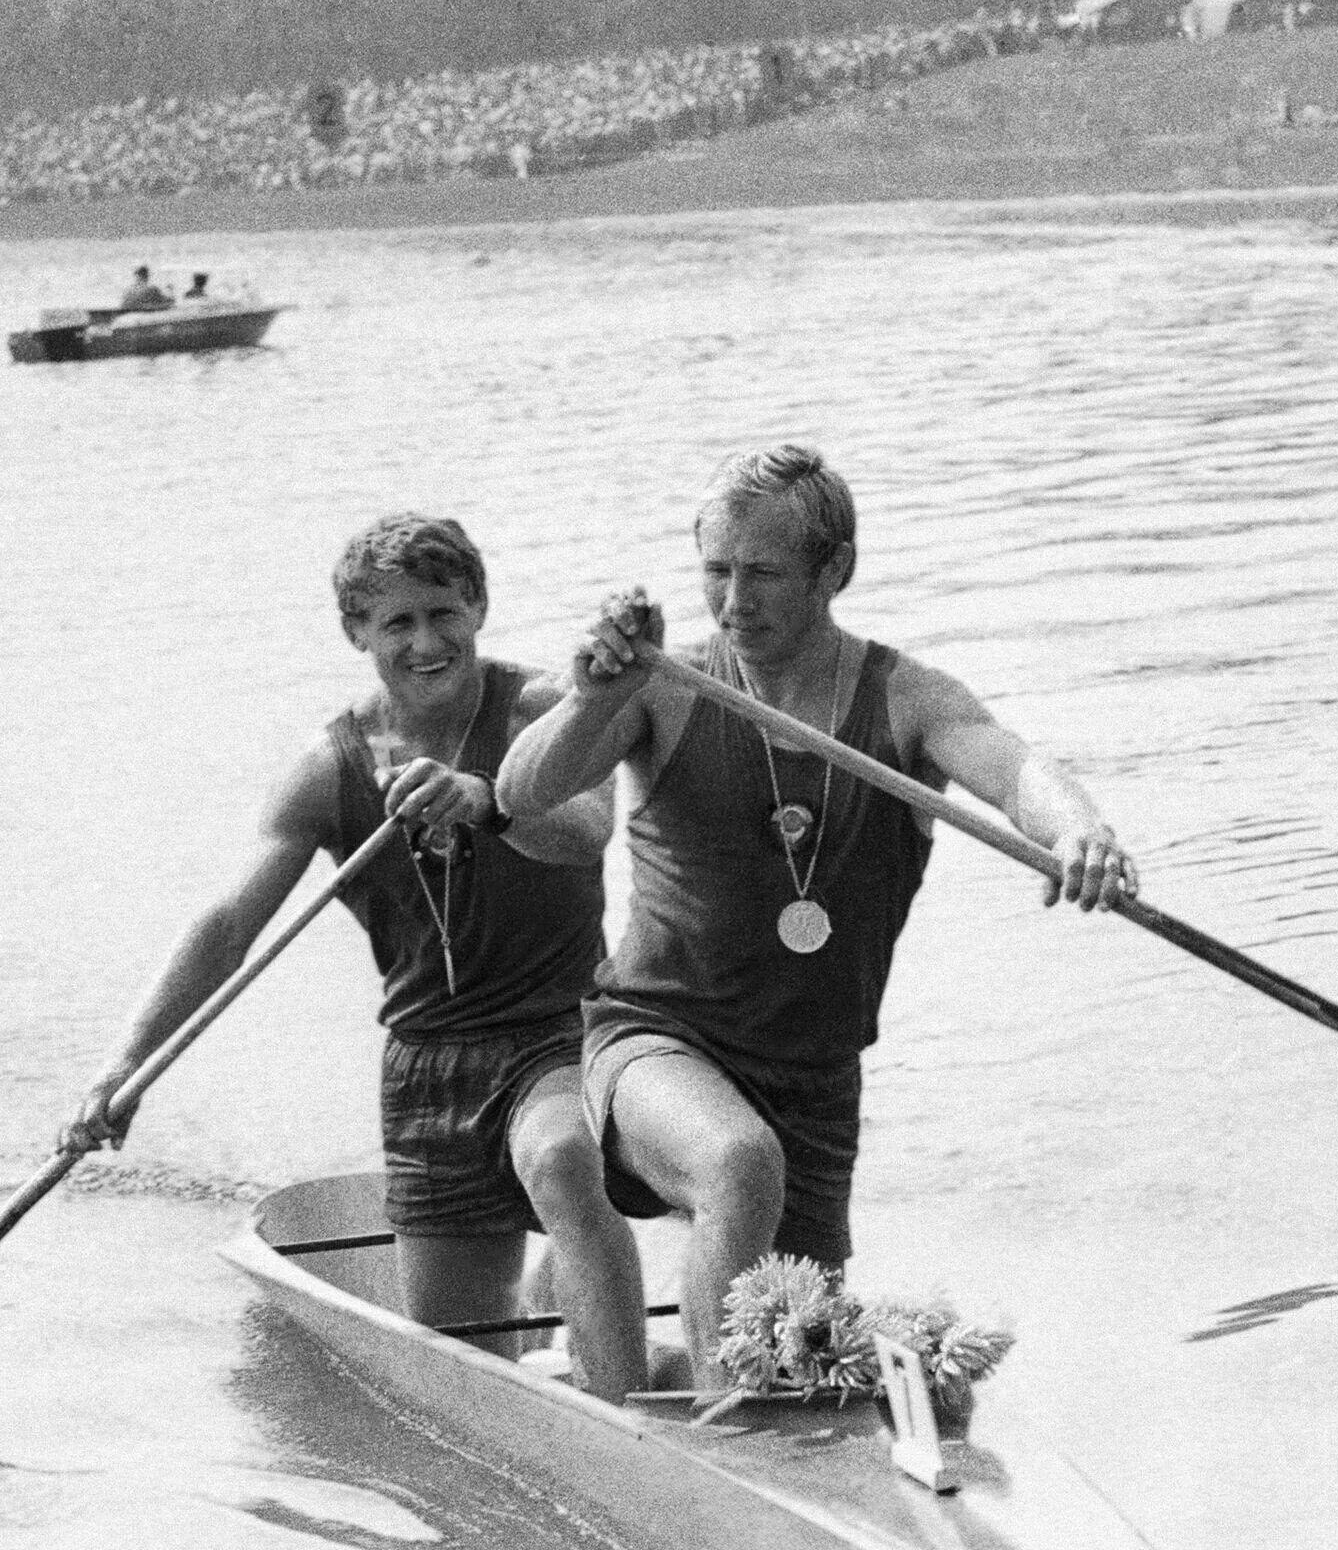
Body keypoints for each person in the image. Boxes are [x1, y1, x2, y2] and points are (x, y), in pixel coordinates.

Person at [497, 444, 1138, 1389]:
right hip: (655, 1045)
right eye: (716, 572)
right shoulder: (667, 688)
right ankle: (729, 1441)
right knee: (738, 1162)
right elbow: (520, 792)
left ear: (834, 570)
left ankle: (650, 1373)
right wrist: (597, 698)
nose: (732, 602)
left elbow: (1013, 768)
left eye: (763, 574)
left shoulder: (906, 698)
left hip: (815, 1084)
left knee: (800, 1358)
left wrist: (1081, 829)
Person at [60, 514, 660, 1403]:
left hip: (561, 1034)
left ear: (480, 607)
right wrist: (128, 1063)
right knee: (461, 1375)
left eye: (445, 613)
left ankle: (628, 1421)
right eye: (397, 624)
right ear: (357, 635)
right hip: (428, 1069)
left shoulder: (542, 708)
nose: (427, 642)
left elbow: (585, 834)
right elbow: (230, 923)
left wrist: (486, 800)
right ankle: (550, 1311)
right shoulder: (328, 764)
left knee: (563, 1161)